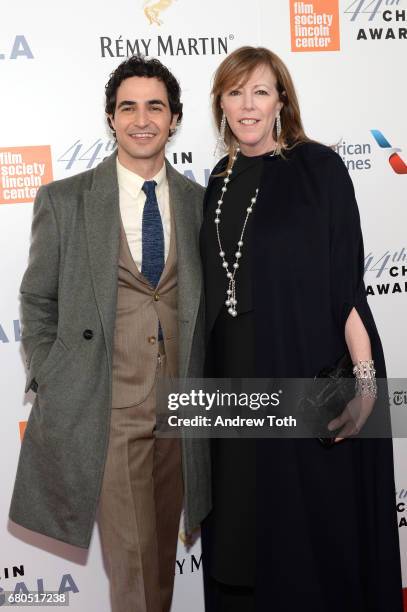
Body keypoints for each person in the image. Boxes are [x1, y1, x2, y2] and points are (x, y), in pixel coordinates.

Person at [199, 46, 403, 611]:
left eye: (260, 91)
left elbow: (348, 292)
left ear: (281, 100)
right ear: (220, 101)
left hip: (302, 377)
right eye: (235, 92)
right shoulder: (217, 179)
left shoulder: (320, 169)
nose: (247, 105)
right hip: (233, 388)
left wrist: (365, 388)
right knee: (240, 546)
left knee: (309, 545)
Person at [9, 55, 208, 612]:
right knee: (133, 567)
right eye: (128, 107)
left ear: (174, 120)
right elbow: (36, 299)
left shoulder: (198, 203)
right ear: (110, 118)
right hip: (108, 408)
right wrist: (52, 374)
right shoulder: (66, 200)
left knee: (157, 566)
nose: (141, 119)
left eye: (155, 107)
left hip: (183, 409)